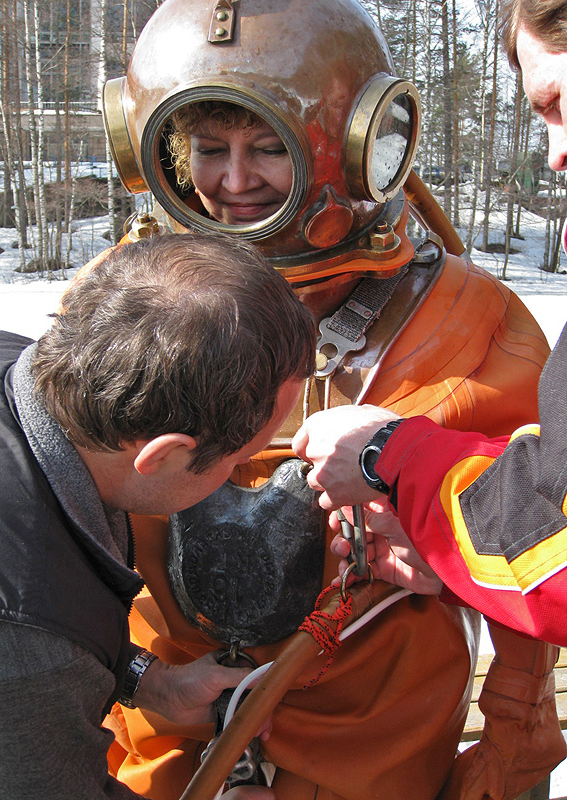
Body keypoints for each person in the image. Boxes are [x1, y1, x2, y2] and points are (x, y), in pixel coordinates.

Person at [96, 1, 566, 798]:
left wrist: (507, 753)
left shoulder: (464, 327)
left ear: (355, 148)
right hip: (164, 726)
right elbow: (56, 542)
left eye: (267, 147)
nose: (234, 182)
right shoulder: (115, 309)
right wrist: (129, 682)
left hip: (374, 740)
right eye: (207, 149)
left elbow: (537, 535)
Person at [0, 231, 316, 800]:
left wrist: (147, 680)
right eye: (237, 460)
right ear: (161, 455)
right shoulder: (26, 631)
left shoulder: (6, 359)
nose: (241, 472)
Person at [292, 0, 567, 651]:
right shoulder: (133, 299)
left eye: (559, 102)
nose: (556, 154)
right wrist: (448, 551)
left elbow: (550, 533)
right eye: (543, 115)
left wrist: (391, 455)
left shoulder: (471, 317)